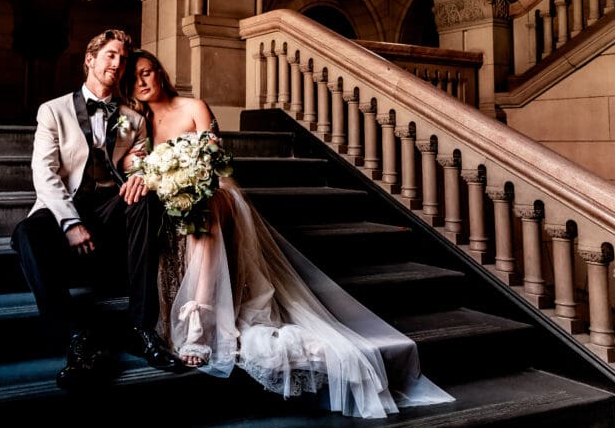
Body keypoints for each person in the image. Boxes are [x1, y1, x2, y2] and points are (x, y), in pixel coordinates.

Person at [119, 49, 456, 419]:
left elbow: (215, 154)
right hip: (172, 199)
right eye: (134, 78)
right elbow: (131, 161)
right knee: (190, 207)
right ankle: (194, 312)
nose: (142, 81)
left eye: (148, 72)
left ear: (160, 72)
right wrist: (148, 172)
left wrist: (195, 171)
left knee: (206, 204)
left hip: (215, 190)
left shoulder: (193, 106)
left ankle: (200, 318)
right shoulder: (138, 121)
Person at [10, 30, 181, 391]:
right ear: (90, 59)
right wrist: (70, 223)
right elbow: (44, 173)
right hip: (65, 206)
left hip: (109, 209)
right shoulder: (53, 111)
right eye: (110, 55)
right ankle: (77, 339)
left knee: (144, 198)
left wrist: (141, 172)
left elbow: (140, 167)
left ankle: (141, 327)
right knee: (26, 233)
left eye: (122, 58)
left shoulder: (133, 119)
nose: (118, 64)